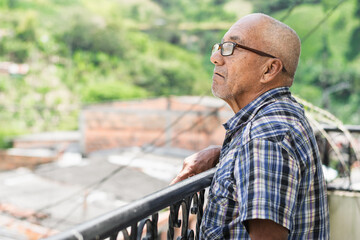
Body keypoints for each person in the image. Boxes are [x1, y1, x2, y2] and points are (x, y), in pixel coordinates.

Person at [172, 13, 329, 239]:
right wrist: (223, 154)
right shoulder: (282, 114)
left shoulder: (265, 136)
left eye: (231, 48)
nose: (216, 57)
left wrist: (248, 148)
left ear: (269, 70)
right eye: (219, 46)